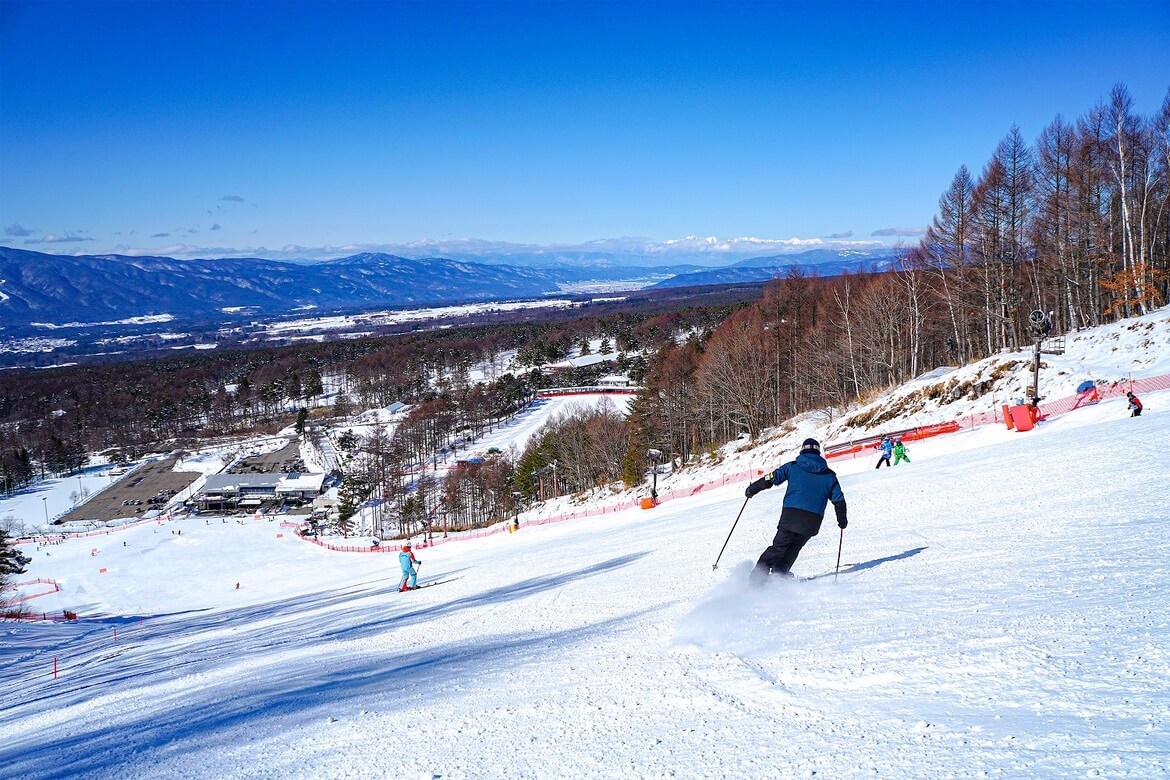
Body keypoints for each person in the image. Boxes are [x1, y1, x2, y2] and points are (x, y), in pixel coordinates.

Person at [744, 438, 848, 584]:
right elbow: (839, 500)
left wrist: (752, 489)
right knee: (794, 548)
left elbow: (771, 478)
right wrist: (842, 520)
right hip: (812, 521)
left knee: (778, 547)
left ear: (802, 450)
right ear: (818, 453)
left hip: (790, 516)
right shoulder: (830, 475)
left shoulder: (792, 467)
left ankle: (757, 578)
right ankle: (779, 575)